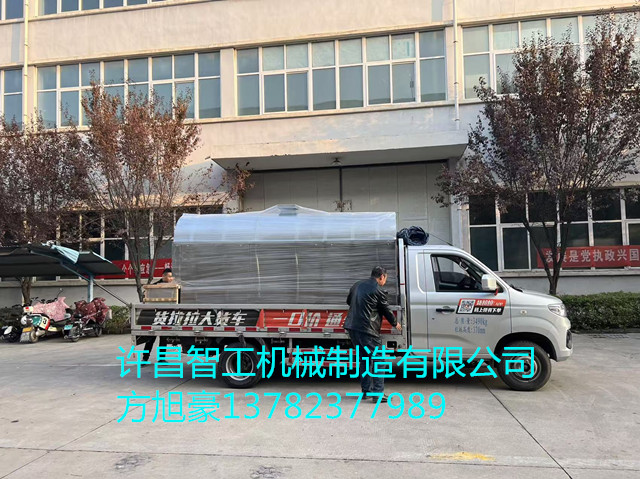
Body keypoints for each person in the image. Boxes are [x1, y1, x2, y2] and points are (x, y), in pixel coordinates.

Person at [344, 266, 402, 403]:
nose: (384, 282)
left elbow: (349, 301)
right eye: (385, 279)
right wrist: (395, 323)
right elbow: (386, 310)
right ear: (382, 276)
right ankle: (378, 394)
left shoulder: (357, 285)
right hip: (367, 330)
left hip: (352, 327)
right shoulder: (377, 291)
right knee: (379, 359)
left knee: (364, 359)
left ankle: (366, 391)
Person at [142, 268, 174, 363]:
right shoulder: (155, 286)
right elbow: (146, 296)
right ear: (163, 276)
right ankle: (145, 358)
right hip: (155, 315)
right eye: (169, 276)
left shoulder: (173, 287)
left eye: (172, 277)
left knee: (163, 338)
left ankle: (161, 358)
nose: (171, 278)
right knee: (150, 338)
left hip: (166, 315)